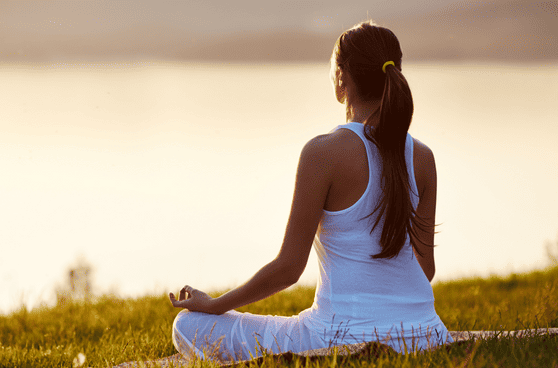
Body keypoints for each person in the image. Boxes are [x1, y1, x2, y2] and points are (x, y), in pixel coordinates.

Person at [168, 21, 453, 362]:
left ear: (341, 79)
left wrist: (214, 305)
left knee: (187, 325)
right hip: (427, 332)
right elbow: (426, 270)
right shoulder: (422, 156)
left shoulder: (323, 153)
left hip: (337, 336)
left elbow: (289, 268)